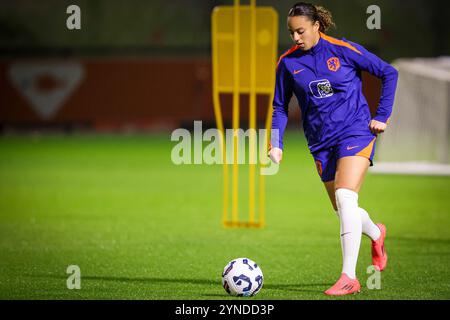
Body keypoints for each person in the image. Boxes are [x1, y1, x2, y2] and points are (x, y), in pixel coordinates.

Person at [269, 2, 398, 296]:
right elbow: (279, 105)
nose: (296, 38)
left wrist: (381, 115)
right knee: (342, 208)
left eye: (300, 31)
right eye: (291, 33)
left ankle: (348, 278)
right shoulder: (287, 63)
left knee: (345, 195)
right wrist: (276, 143)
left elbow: (388, 72)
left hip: (356, 130)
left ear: (316, 26)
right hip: (320, 142)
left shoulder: (343, 50)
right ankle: (377, 234)